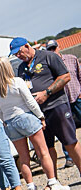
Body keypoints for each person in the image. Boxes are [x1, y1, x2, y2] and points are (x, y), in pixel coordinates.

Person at [0, 57, 71, 190]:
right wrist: (40, 116)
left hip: (10, 123)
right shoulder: (17, 82)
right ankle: (53, 184)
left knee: (24, 159)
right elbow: (30, 102)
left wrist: (6, 121)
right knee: (43, 152)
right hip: (26, 117)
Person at [11, 37, 81, 177]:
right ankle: (53, 181)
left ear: (27, 46)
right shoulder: (21, 68)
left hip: (57, 106)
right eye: (15, 54)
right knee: (46, 148)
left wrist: (46, 92)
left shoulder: (48, 56)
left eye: (19, 52)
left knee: (69, 142)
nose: (18, 56)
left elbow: (65, 76)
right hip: (38, 113)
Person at [46, 39, 81, 167]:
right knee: (65, 131)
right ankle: (69, 157)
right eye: (50, 49)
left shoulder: (71, 59)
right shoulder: (49, 65)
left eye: (54, 48)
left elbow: (80, 75)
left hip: (76, 96)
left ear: (58, 47)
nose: (52, 51)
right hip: (61, 101)